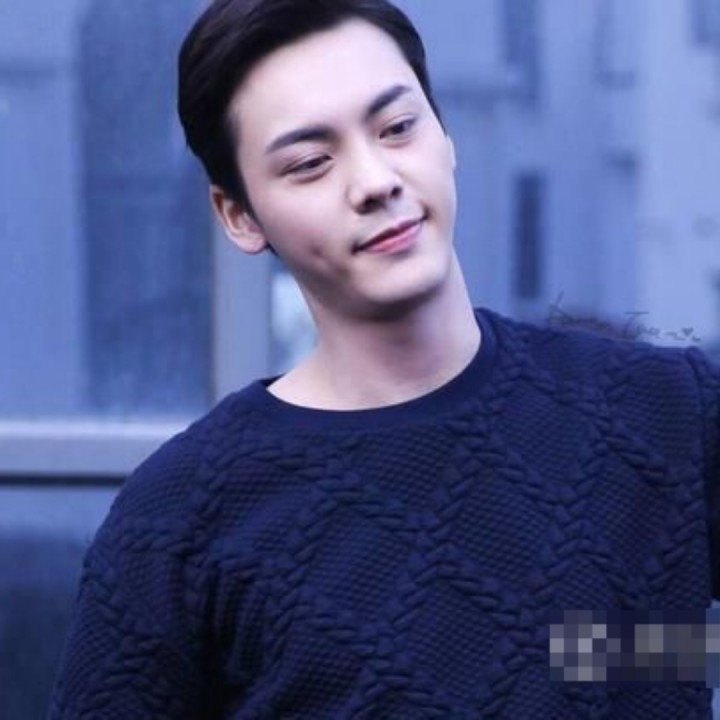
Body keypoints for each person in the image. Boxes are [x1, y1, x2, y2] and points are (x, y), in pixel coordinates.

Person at [49, 0, 720, 717]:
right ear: (239, 216)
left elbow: (619, 656)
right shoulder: (179, 518)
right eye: (310, 163)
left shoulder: (667, 411)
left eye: (398, 127)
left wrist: (640, 658)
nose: (375, 180)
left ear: (445, 135)